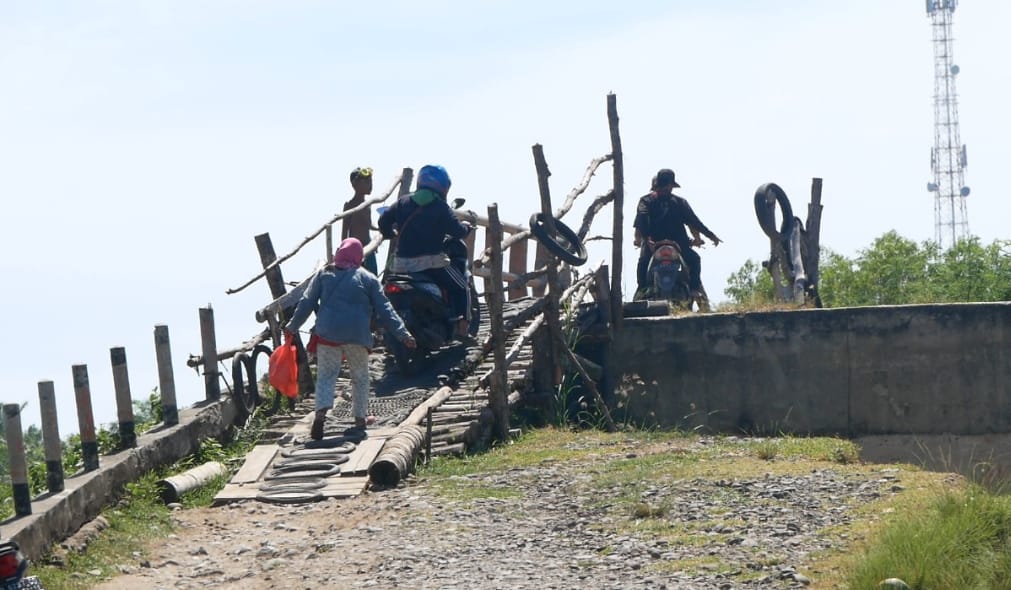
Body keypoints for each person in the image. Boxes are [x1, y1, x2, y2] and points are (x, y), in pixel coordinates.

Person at [283, 237, 416, 440]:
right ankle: (359, 420)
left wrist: (292, 326)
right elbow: (385, 309)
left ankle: (320, 415)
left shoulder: (324, 273)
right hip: (357, 335)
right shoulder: (368, 278)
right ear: (359, 257)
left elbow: (306, 302)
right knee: (360, 377)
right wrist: (403, 334)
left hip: (328, 334)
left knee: (327, 376)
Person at [378, 164, 472, 338]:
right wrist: (467, 229)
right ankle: (463, 329)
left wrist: (390, 233)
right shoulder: (441, 207)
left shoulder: (402, 202)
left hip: (401, 266)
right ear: (443, 186)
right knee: (462, 287)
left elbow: (383, 222)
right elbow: (458, 231)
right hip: (431, 264)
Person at [633, 168, 722, 298]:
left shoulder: (646, 200)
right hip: (677, 245)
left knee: (643, 264)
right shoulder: (679, 202)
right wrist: (711, 236)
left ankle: (641, 291)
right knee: (695, 260)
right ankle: (694, 288)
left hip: (654, 245)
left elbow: (642, 219)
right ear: (671, 185)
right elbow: (694, 222)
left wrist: (647, 239)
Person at [342, 166, 379, 276]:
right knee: (356, 276)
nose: (370, 185)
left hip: (368, 245)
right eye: (366, 182)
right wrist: (344, 250)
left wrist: (379, 227)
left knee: (372, 275)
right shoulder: (350, 205)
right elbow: (345, 230)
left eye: (371, 181)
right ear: (355, 184)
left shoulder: (368, 204)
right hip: (354, 247)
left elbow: (369, 224)